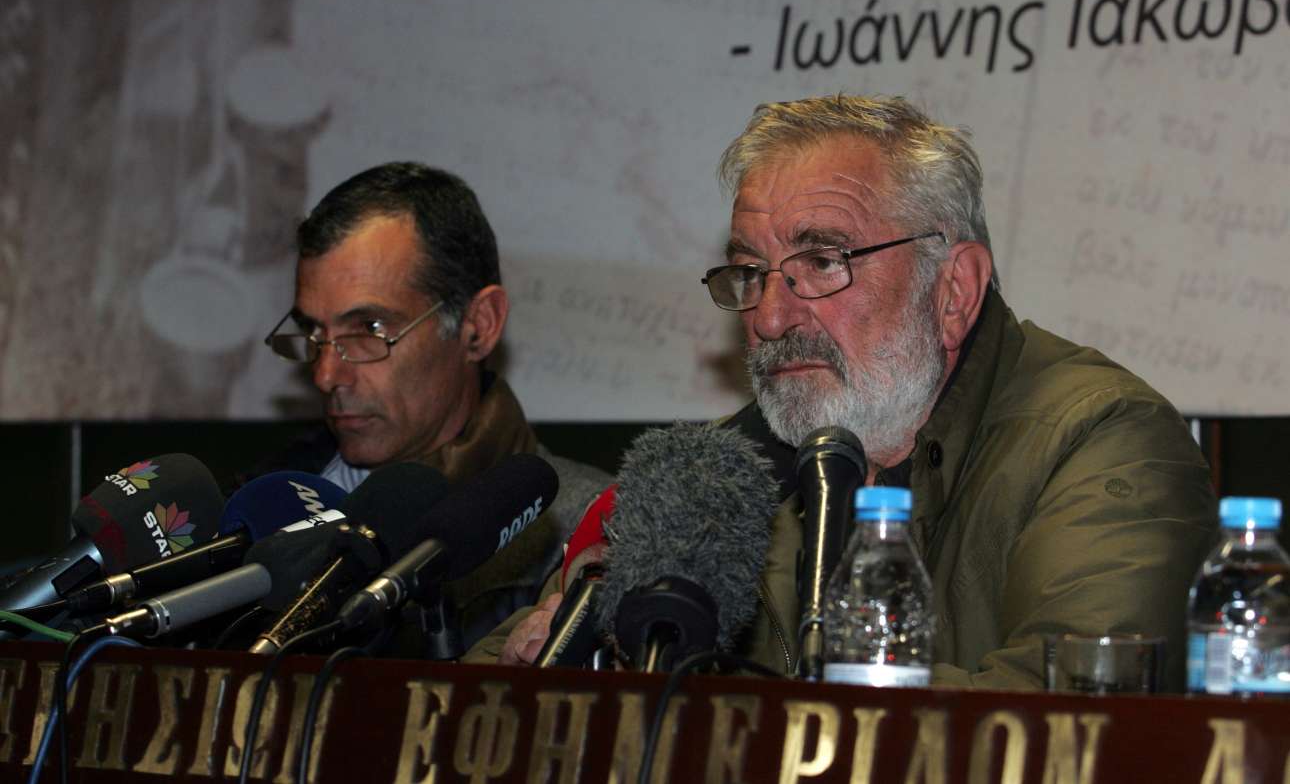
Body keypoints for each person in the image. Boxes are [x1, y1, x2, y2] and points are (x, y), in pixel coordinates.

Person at [487, 96, 1216, 690]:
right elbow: (487, 681)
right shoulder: (730, 467)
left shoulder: (1101, 439)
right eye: (751, 272)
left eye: (822, 261)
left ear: (954, 289)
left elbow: (1072, 713)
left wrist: (717, 705)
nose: (770, 318)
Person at [255, 162, 610, 652]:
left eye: (370, 329)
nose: (326, 374)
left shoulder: (586, 536)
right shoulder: (260, 508)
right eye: (314, 332)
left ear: (479, 326)